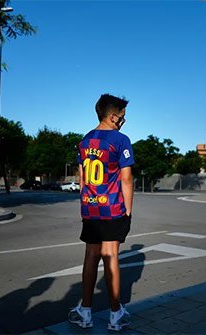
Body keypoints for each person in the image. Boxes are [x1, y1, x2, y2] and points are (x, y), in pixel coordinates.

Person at [68, 94, 135, 331]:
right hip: (112, 208)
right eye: (123, 116)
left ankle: (85, 311)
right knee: (111, 256)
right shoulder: (121, 140)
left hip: (90, 207)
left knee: (90, 256)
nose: (124, 121)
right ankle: (116, 314)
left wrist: (85, 206)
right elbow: (126, 179)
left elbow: (83, 180)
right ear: (113, 116)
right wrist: (127, 210)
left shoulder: (84, 141)